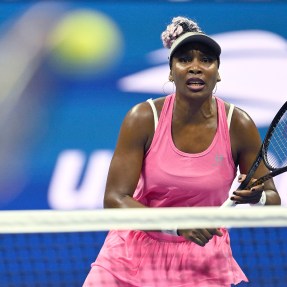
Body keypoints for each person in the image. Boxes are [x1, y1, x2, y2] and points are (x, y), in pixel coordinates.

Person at [83, 16, 281, 287]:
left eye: (206, 60)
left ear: (218, 72)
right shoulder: (143, 118)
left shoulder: (238, 124)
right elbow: (115, 199)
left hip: (202, 265)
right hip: (129, 258)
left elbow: (273, 199)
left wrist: (256, 199)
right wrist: (177, 225)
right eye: (185, 59)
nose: (196, 68)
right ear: (170, 71)